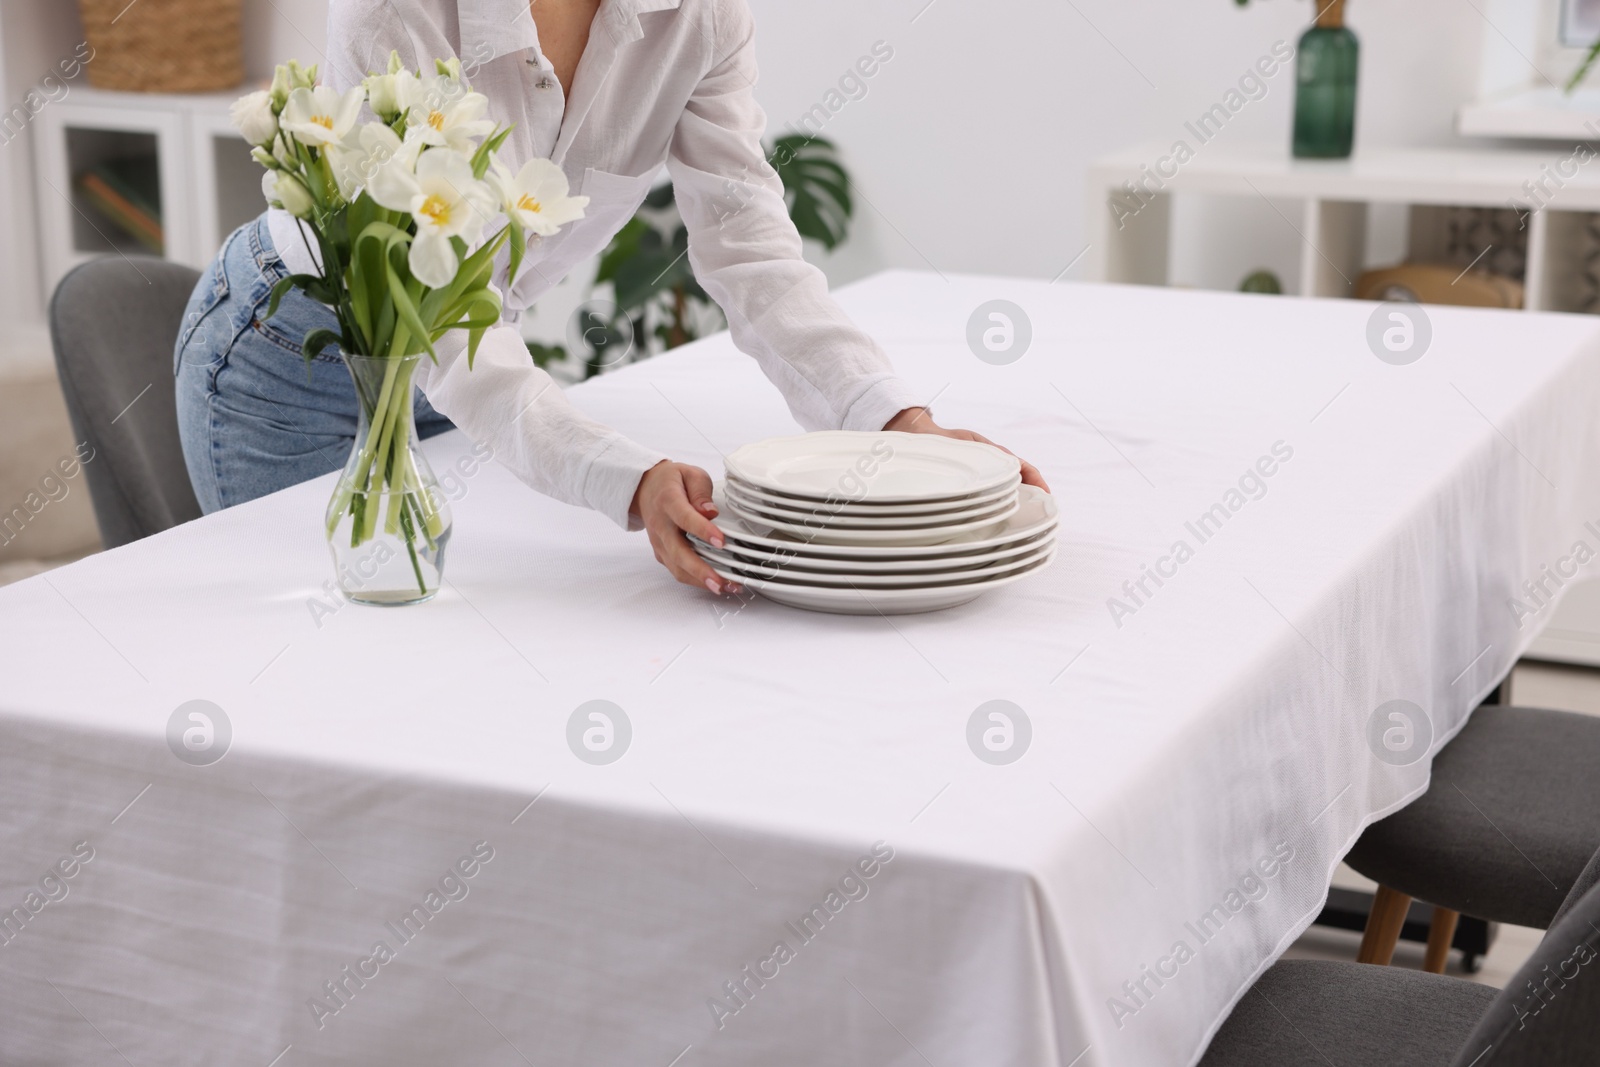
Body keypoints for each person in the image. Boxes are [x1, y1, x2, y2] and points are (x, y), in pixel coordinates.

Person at [174, 0, 1046, 596]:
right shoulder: (396, 8)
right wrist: (625, 481)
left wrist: (890, 418)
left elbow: (748, 245)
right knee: (320, 655)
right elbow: (426, 310)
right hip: (289, 362)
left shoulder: (694, 17)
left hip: (470, 364)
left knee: (437, 638)